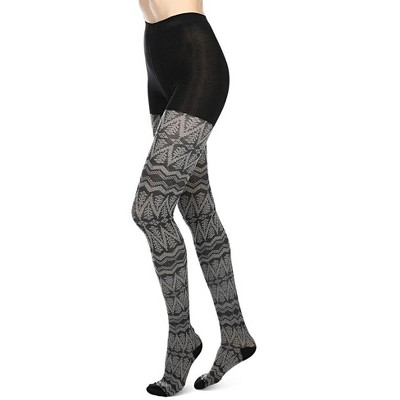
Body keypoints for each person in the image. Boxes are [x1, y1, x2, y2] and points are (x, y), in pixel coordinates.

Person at [132, 0, 257, 396]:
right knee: (197, 210)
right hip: (157, 59)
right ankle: (235, 332)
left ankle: (182, 337)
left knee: (150, 212)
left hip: (196, 59)